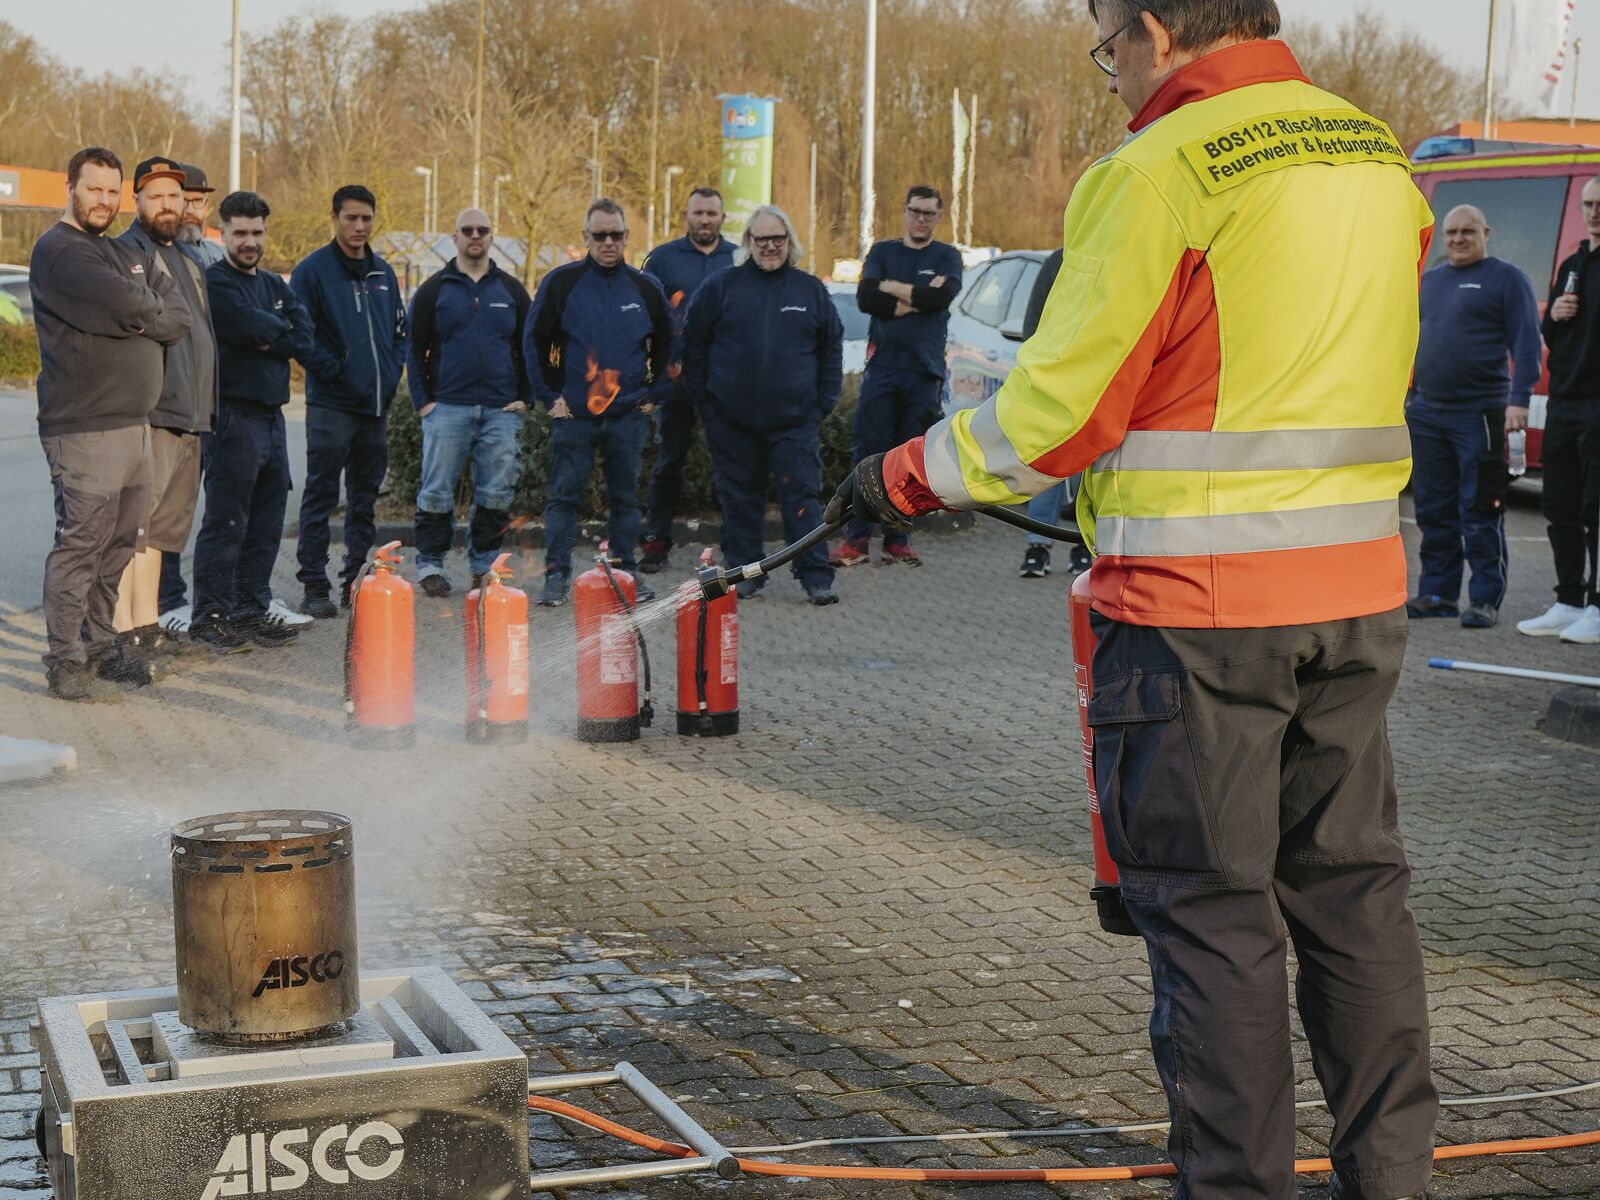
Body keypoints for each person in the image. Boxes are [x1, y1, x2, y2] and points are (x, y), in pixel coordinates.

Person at [833, 4, 1439, 1197]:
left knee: (1216, 925)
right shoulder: (1378, 158)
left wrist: (903, 475)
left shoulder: (1159, 168)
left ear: (1157, 30)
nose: (1110, 74)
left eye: (1108, 45)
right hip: (1358, 595)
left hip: (1199, 618)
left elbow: (1058, 414)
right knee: (1353, 898)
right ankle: (1395, 1180)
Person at [29, 146, 191, 700]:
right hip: (84, 427)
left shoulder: (119, 252)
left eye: (111, 190)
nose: (103, 199)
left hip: (134, 425)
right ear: (70, 189)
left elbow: (175, 316)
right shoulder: (60, 251)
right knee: (82, 545)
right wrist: (141, 311)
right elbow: (137, 307)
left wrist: (139, 312)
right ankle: (65, 661)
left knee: (120, 545)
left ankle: (100, 648)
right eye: (93, 188)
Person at [681, 205, 843, 605]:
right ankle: (746, 574)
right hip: (732, 422)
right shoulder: (721, 288)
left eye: (778, 239)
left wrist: (822, 403)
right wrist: (706, 402)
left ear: (789, 242)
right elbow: (693, 343)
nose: (770, 246)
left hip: (795, 422)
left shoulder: (810, 290)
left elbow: (831, 347)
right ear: (748, 243)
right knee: (739, 502)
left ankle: (815, 576)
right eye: (762, 239)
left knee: (803, 499)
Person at [525, 197, 670, 607]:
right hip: (574, 417)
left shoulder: (645, 287)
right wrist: (551, 397)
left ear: (626, 237)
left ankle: (625, 575)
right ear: (585, 237)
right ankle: (556, 576)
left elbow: (667, 344)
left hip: (627, 416)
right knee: (564, 498)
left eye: (616, 235)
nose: (609, 242)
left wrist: (651, 394)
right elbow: (534, 341)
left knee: (625, 498)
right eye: (599, 235)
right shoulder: (562, 283)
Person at [1405, 205, 1540, 629]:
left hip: (1480, 412)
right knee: (1433, 507)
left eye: (1468, 231)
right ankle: (1438, 593)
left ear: (1486, 232)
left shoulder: (1507, 279)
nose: (1459, 239)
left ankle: (1484, 599)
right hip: (1426, 412)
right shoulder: (1429, 283)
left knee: (1480, 507)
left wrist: (1519, 401)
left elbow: (1527, 344)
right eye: (1451, 232)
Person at [117, 156, 228, 668]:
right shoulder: (126, 253)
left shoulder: (186, 259)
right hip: (154, 412)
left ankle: (148, 625)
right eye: (157, 195)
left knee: (161, 533)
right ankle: (123, 635)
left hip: (191, 415)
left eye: (176, 196)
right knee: (134, 529)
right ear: (136, 199)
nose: (169, 205)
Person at [190, 190, 314, 648]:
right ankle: (210, 617)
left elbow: (303, 336)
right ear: (222, 233)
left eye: (257, 232)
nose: (249, 241)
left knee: (266, 523)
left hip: (272, 418)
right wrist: (272, 331)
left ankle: (250, 610)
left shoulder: (275, 286)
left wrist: (271, 333)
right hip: (233, 418)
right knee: (227, 523)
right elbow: (248, 325)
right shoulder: (216, 282)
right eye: (240, 232)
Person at [830, 185, 962, 568]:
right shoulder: (883, 252)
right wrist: (917, 295)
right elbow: (866, 299)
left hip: (924, 371)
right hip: (883, 369)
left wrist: (891, 289)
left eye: (929, 214)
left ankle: (897, 540)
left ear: (938, 217)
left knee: (909, 460)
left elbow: (939, 300)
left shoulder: (947, 256)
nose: (922, 219)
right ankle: (855, 540)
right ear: (904, 212)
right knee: (868, 453)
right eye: (916, 211)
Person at [291, 184, 406, 619]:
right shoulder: (313, 272)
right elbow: (300, 337)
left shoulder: (383, 274)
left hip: (374, 408)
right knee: (321, 495)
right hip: (332, 406)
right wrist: (336, 369)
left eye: (366, 219)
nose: (359, 226)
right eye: (351, 218)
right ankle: (314, 586)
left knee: (364, 498)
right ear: (335, 218)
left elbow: (400, 332)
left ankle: (356, 581)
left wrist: (392, 374)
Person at [407, 208, 533, 596]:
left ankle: (484, 565)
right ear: (455, 236)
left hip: (500, 411)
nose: (475, 235)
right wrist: (424, 402)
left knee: (496, 492)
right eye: (467, 230)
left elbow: (529, 347)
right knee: (436, 491)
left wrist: (526, 397)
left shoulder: (511, 290)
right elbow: (413, 349)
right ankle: (430, 565)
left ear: (492, 236)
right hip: (447, 408)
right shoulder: (434, 289)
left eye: (483, 229)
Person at [637, 186, 737, 573]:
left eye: (712, 213)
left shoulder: (739, 258)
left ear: (722, 218)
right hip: (676, 378)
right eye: (698, 213)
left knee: (731, 463)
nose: (705, 219)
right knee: (668, 462)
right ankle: (657, 540)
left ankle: (737, 544)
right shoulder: (661, 260)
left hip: (726, 379)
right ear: (687, 215)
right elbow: (644, 317)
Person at [1519, 175, 1600, 644]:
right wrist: (1555, 316)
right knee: (1560, 505)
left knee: (1597, 509)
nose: (1593, 211)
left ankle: (1596, 605)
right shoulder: (1573, 262)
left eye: (1599, 204)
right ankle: (1569, 600)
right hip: (1564, 403)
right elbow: (1552, 335)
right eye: (1588, 204)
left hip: (1598, 405)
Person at [156, 162, 227, 630]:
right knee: (161, 512)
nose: (191, 210)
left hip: (213, 405)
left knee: (205, 510)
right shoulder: (152, 254)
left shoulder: (218, 259)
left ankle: (206, 599)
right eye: (185, 200)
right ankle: (165, 600)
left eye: (199, 201)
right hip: (166, 404)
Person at [1016, 248, 1092, 579]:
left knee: (1089, 469)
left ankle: (1085, 546)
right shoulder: (1056, 263)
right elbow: (1032, 326)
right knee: (1048, 465)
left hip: (1097, 380)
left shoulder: (1115, 255)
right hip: (1055, 383)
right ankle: (1038, 545)